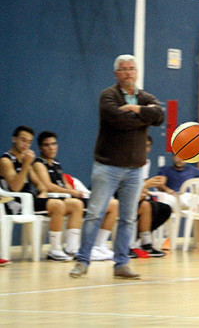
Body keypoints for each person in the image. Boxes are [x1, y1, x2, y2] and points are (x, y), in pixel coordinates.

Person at [69, 54, 164, 279]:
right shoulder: (108, 96)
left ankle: (121, 264)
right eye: (124, 69)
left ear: (137, 72)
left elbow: (159, 116)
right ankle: (82, 261)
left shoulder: (144, 97)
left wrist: (136, 110)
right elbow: (117, 120)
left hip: (135, 169)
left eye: (132, 68)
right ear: (116, 73)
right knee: (94, 214)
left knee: (129, 217)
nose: (129, 72)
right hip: (108, 166)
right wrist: (144, 116)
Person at [0, 126, 84, 261]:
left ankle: (71, 248)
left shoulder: (24, 160)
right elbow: (15, 187)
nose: (26, 144)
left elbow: (39, 185)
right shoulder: (6, 160)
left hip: (30, 201)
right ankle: (54, 250)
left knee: (76, 205)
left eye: (29, 142)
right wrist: (27, 164)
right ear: (14, 139)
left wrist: (43, 193)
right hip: (14, 203)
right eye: (23, 140)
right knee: (57, 205)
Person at [33, 131, 119, 261]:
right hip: (52, 199)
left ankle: (98, 245)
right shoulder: (38, 163)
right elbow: (48, 186)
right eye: (47, 145)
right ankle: (67, 248)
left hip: (66, 198)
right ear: (40, 147)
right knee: (76, 204)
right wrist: (72, 193)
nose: (51, 147)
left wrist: (74, 191)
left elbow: (64, 183)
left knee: (113, 204)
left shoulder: (56, 163)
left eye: (54, 144)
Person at [130, 135, 171, 258]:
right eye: (143, 145)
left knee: (164, 209)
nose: (145, 149)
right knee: (147, 206)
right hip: (124, 195)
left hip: (138, 195)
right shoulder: (129, 161)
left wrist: (145, 189)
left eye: (147, 146)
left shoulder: (146, 162)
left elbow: (141, 185)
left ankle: (142, 241)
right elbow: (130, 186)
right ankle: (141, 243)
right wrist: (145, 185)